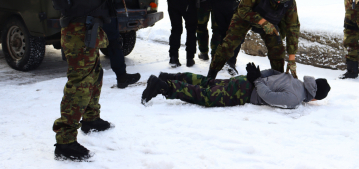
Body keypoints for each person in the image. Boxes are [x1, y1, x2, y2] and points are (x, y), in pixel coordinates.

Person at [52, 0, 125, 161]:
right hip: (81, 29)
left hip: (84, 26)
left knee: (93, 73)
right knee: (80, 83)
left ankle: (91, 118)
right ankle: (65, 142)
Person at [207, 0, 300, 80]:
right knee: (228, 45)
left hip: (270, 21)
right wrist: (263, 22)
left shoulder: (289, 0)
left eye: (281, 1)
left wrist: (292, 59)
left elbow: (293, 27)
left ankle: (278, 80)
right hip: (247, 15)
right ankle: (211, 74)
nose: (278, 2)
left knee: (277, 50)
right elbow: (243, 9)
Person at [141, 62, 331, 108]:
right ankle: (162, 86)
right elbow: (268, 97)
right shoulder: (296, 98)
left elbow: (273, 73)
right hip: (245, 91)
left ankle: (167, 76)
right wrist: (256, 80)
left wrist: (255, 75)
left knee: (208, 82)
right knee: (206, 95)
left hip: (244, 81)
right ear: (314, 97)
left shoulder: (294, 80)